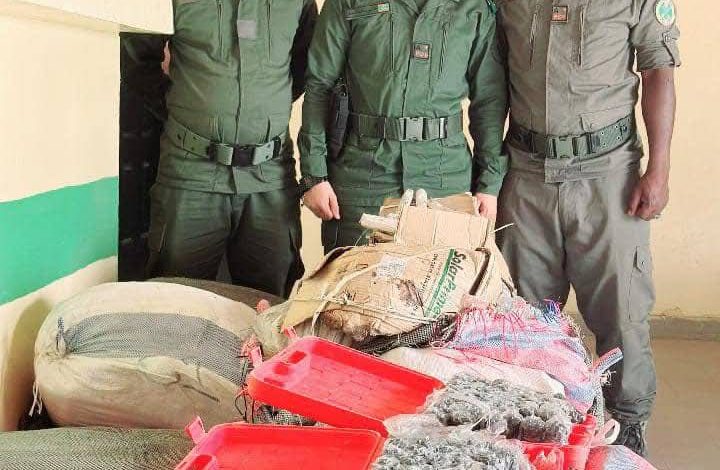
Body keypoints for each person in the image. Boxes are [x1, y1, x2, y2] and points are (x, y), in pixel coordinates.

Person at [495, 0, 680, 457]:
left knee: (622, 310)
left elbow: (659, 72)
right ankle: (539, 427)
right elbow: (491, 80)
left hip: (608, 174)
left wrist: (658, 170)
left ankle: (628, 427)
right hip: (527, 173)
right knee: (522, 318)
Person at [121, 0, 318, 298]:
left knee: (269, 303)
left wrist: (261, 110)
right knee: (175, 299)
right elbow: (137, 59)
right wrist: (184, 109)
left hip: (270, 177)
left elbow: (305, 65)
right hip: (191, 173)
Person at [298, 0, 507, 252]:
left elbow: (490, 100)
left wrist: (489, 185)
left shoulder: (475, 7)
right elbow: (320, 86)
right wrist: (314, 176)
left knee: (441, 275)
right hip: (363, 178)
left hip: (445, 179)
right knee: (356, 273)